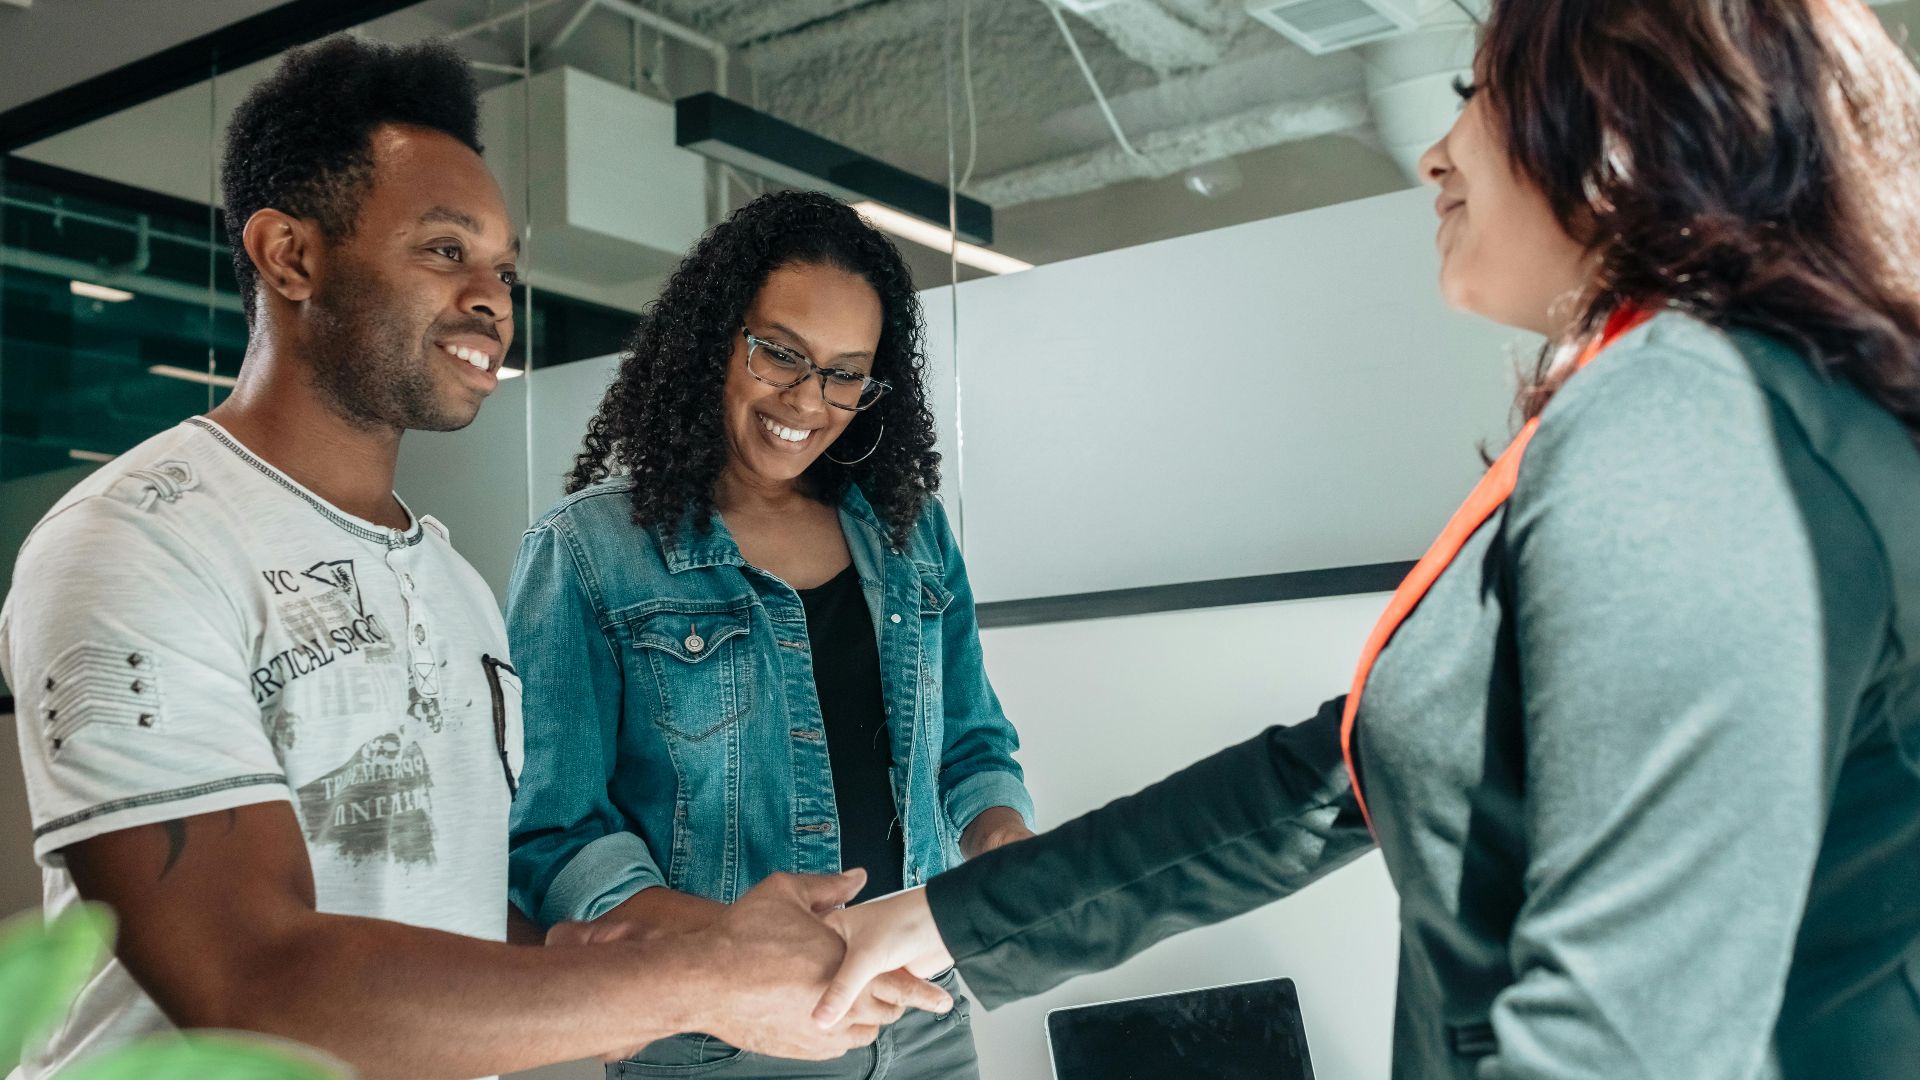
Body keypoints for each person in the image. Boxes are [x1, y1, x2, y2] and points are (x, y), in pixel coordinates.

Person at [814, 1, 1920, 1076]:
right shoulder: (1717, 406)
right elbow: (1335, 775)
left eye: (1472, 97)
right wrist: (946, 921)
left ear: (1622, 120)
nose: (1434, 157)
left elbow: (1622, 1035)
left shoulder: (1690, 427)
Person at [0, 37, 944, 1080]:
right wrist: (706, 981)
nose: (493, 298)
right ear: (290, 256)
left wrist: (687, 944)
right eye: (445, 251)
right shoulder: (138, 542)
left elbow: (446, 911)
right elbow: (251, 986)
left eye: (503, 267)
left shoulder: (449, 586)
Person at [507, 190, 1036, 1078]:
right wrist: (735, 951)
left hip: (923, 1021)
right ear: (716, 338)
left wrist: (1005, 849)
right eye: (780, 353)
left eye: (844, 372)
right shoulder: (587, 553)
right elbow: (557, 833)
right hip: (723, 1033)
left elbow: (974, 746)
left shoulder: (911, 535)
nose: (808, 399)